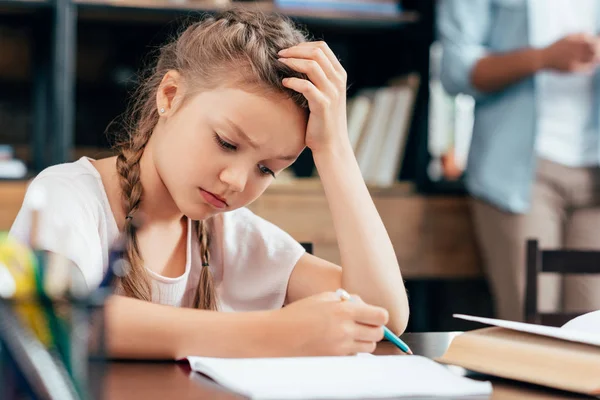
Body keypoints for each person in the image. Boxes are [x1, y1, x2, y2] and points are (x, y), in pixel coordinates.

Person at [9, 9, 409, 359]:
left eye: (267, 169)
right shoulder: (70, 195)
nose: (236, 181)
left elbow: (381, 313)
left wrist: (334, 150)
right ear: (170, 94)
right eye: (226, 143)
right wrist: (279, 333)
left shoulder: (234, 236)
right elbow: (67, 315)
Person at [438, 0, 600, 322]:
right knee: (532, 327)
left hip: (594, 175)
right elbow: (455, 71)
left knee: (592, 329)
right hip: (518, 174)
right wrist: (542, 58)